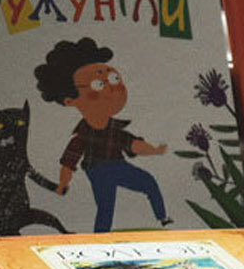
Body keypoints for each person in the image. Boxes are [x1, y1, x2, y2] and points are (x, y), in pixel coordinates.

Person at [35, 36, 171, 232]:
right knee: (106, 206)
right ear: (70, 100)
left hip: (118, 165)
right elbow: (69, 161)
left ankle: (163, 217)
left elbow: (132, 144)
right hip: (98, 171)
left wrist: (155, 150)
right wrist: (64, 183)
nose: (111, 88)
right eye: (98, 84)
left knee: (148, 182)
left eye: (114, 79)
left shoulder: (114, 130)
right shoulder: (83, 135)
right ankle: (100, 237)